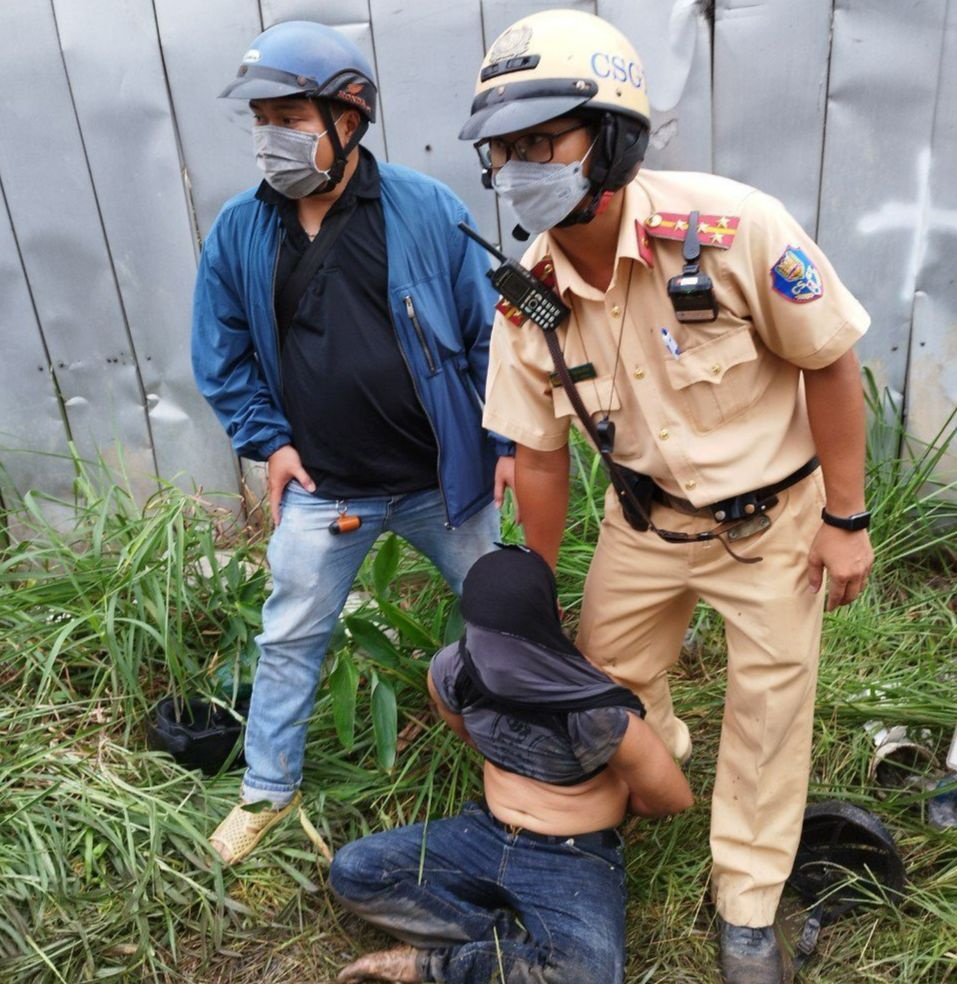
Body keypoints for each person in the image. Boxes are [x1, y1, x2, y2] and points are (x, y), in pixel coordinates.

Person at [458, 10, 873, 983]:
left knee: (769, 714)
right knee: (601, 680)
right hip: (640, 525)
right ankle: (647, 779)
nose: (519, 166)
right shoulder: (530, 297)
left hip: (774, 526)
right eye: (503, 149)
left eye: (541, 140)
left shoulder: (731, 231)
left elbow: (832, 362)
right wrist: (537, 589)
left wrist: (848, 519)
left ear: (609, 136)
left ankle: (748, 903)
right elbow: (541, 452)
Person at [192, 20, 513, 865]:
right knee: (289, 638)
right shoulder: (239, 229)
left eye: (290, 116)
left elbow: (491, 337)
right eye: (262, 117)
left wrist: (507, 440)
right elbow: (218, 351)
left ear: (349, 115)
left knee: (505, 621)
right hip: (324, 488)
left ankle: (529, 772)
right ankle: (266, 791)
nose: (272, 136)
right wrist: (268, 442)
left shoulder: (425, 208)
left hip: (444, 485)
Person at [329, 546, 693, 983]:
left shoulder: (594, 711)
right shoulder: (454, 671)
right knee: (355, 872)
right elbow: (466, 729)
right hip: (482, 834)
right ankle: (515, 948)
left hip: (570, 856)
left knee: (588, 976)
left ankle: (433, 965)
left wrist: (596, 807)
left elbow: (671, 797)